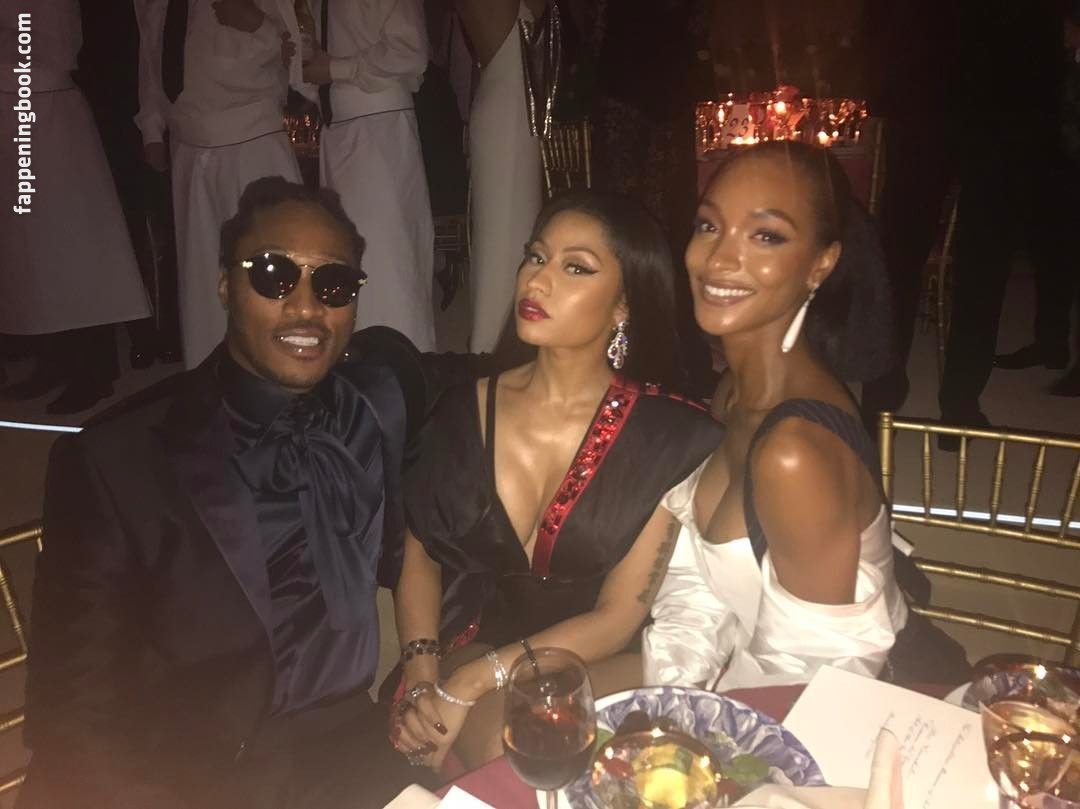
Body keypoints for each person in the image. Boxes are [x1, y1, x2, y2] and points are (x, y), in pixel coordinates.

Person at [18, 178, 421, 809]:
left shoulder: (377, 399)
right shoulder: (117, 458)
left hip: (349, 745)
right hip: (191, 772)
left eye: (333, 283)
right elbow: (71, 711)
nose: (307, 307)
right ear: (226, 285)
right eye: (274, 276)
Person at [388, 191, 724, 770]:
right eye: (536, 257)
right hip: (479, 635)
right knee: (492, 744)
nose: (537, 280)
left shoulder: (668, 437)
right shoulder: (462, 408)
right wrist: (421, 673)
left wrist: (469, 683)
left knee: (524, 741)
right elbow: (419, 548)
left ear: (623, 304)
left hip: (601, 655)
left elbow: (618, 616)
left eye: (576, 268)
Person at [642, 142, 969, 691]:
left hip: (839, 711)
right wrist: (672, 690)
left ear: (822, 264)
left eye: (766, 236)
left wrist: (695, 719)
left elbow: (814, 680)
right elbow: (699, 584)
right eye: (709, 225)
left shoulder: (793, 453)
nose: (718, 259)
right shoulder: (733, 391)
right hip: (740, 675)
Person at [134, 0, 303, 369]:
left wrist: (256, 23)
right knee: (202, 281)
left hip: (252, 143)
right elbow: (151, 56)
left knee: (269, 267)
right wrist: (152, 128)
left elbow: (295, 53)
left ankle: (286, 373)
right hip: (188, 147)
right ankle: (210, 375)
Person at [0, 0, 151, 413]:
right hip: (19, 110)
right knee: (33, 255)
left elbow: (49, 47)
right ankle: (54, 357)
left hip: (45, 112)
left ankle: (95, 370)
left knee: (72, 250)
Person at [939, 4, 1068, 438]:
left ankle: (958, 403)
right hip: (1018, 122)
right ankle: (959, 402)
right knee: (994, 267)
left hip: (1003, 123)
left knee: (996, 268)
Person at [304, 0, 437, 352]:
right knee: (344, 254)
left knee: (388, 257)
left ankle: (405, 361)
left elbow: (411, 51)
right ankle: (356, 356)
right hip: (336, 126)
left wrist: (335, 68)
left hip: (379, 124)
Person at [456, 0, 547, 352]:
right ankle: (497, 342)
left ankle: (494, 337)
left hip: (504, 103)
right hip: (511, 110)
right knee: (508, 233)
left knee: (500, 232)